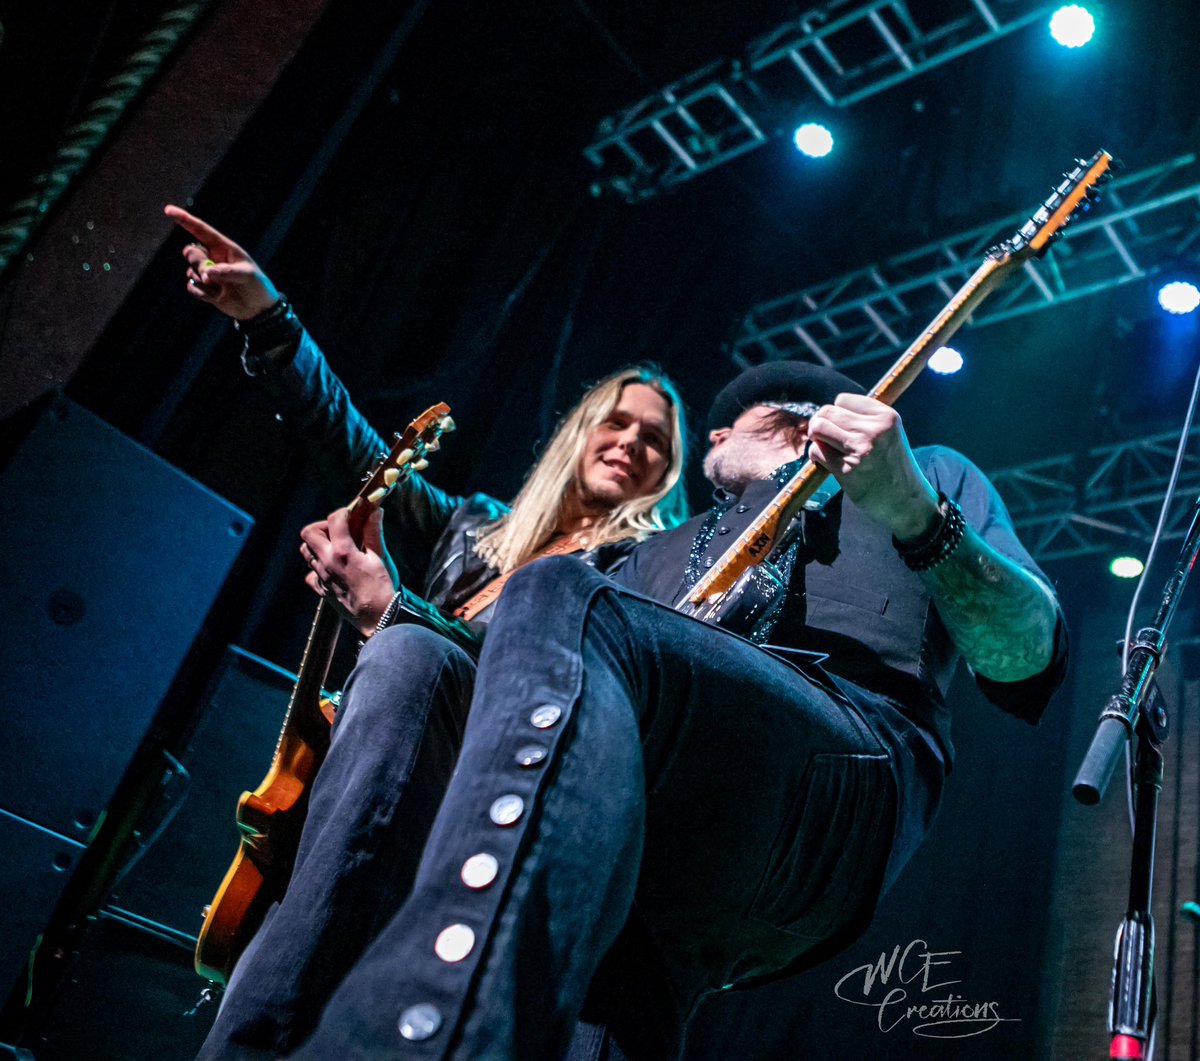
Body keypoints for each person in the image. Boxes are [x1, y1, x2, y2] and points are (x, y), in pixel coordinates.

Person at [262, 360, 1066, 1061]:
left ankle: (424, 1023)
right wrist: (391, 617)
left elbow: (1026, 653)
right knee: (412, 657)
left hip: (839, 782)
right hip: (646, 828)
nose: (807, 431)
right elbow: (513, 691)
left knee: (560, 591)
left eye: (816, 419)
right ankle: (267, 1034)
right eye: (783, 420)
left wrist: (917, 514)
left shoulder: (922, 473)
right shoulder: (645, 556)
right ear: (717, 446)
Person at [162, 207, 691, 1056]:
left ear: (671, 470)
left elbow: (557, 699)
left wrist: (393, 613)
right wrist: (270, 319)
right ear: (577, 432)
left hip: (473, 828)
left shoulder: (645, 578)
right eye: (616, 422)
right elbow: (352, 443)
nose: (631, 443)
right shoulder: (473, 529)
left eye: (656, 441)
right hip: (364, 801)